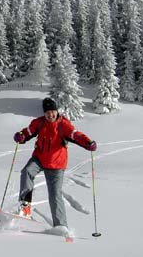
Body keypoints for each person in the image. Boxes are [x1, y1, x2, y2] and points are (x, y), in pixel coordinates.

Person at [12, 97, 96, 231]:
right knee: (27, 171)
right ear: (44, 114)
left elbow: (76, 135)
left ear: (56, 111)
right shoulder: (39, 123)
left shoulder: (63, 125)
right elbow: (28, 132)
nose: (50, 115)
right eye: (47, 113)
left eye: (52, 112)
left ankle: (61, 226)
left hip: (56, 164)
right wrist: (21, 135)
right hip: (39, 159)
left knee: (55, 195)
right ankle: (24, 209)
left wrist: (88, 142)